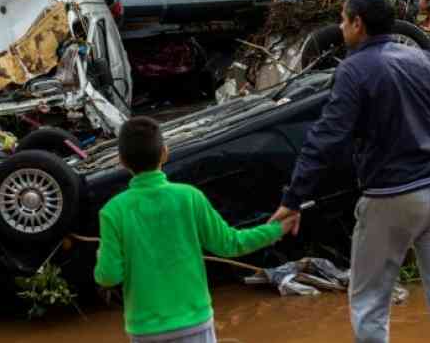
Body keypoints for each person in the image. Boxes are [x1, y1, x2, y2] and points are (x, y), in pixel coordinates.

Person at [269, 0, 430, 343]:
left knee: (369, 302)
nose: (340, 26)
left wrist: (292, 200)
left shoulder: (353, 70)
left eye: (343, 19)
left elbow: (325, 140)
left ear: (357, 23)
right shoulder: (423, 58)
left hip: (391, 196)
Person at [94, 116, 298, 343]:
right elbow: (231, 244)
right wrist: (276, 229)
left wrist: (101, 255)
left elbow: (108, 277)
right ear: (165, 153)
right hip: (194, 323)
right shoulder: (190, 197)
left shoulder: (112, 212)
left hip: (145, 330)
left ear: (121, 160)